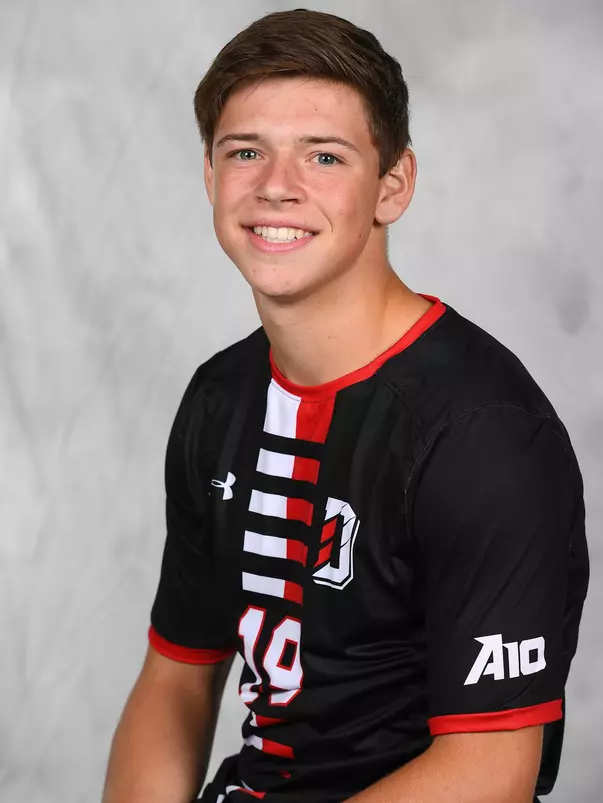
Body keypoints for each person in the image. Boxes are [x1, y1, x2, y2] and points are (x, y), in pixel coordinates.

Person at [101, 9, 589, 803]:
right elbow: (176, 680)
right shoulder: (219, 397)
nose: (275, 186)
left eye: (323, 156)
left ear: (391, 185)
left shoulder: (482, 433)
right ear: (210, 176)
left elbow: (490, 772)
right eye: (245, 152)